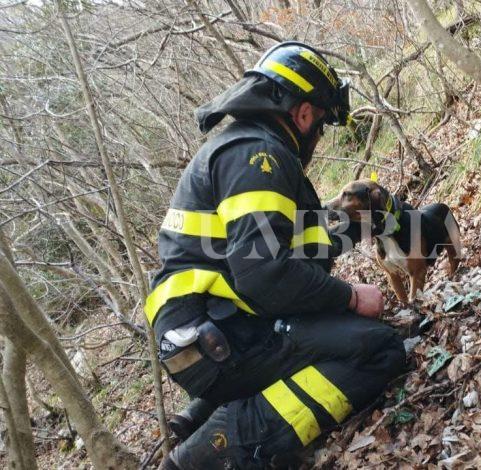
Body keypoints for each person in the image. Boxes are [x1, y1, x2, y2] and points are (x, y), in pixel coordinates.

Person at [145, 42, 406, 469]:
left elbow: (297, 245)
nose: (318, 138)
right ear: (304, 113)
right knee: (380, 349)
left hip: (218, 325)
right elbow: (265, 274)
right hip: (221, 338)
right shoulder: (259, 157)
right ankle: (222, 442)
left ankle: (206, 409)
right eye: (321, 124)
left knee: (337, 327)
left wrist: (362, 224)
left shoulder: (246, 147)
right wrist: (351, 297)